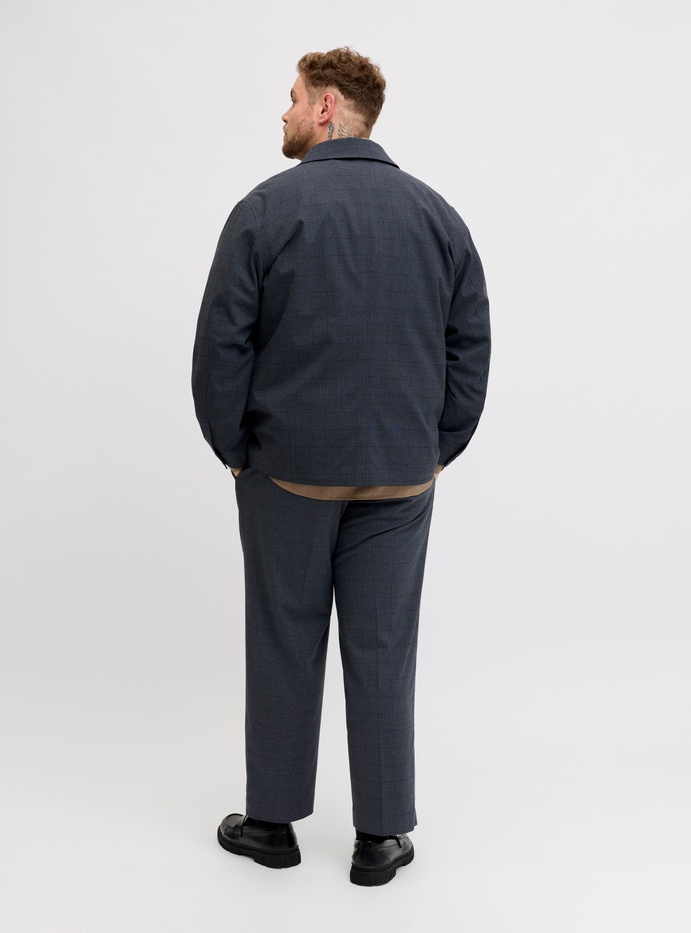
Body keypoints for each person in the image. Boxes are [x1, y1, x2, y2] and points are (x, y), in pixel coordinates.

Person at [192, 47, 490, 886]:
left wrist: (236, 450)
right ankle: (381, 837)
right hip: (401, 474)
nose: (284, 112)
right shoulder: (437, 216)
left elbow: (221, 347)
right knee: (384, 645)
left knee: (283, 637)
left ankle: (271, 824)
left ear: (327, 107)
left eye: (293, 98)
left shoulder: (264, 210)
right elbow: (470, 344)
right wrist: (435, 446)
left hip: (286, 470)